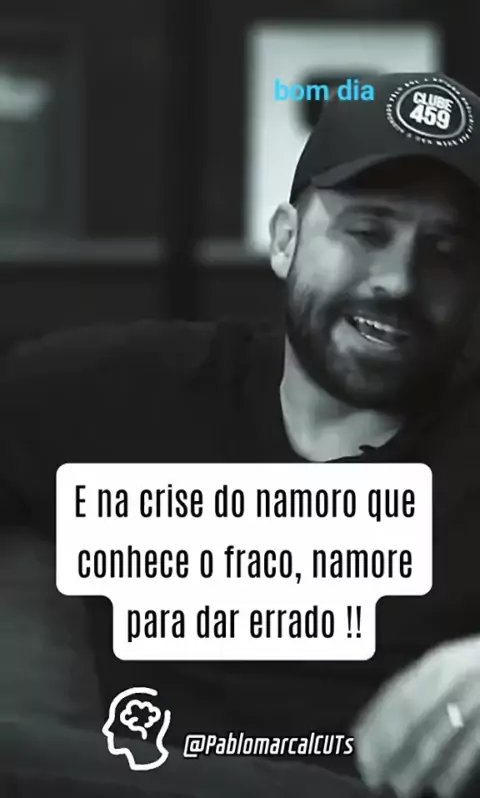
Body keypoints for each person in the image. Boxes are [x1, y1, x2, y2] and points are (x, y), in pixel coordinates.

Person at [1, 71, 480, 798]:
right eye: (367, 232)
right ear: (286, 240)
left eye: (445, 250)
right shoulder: (136, 394)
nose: (399, 280)